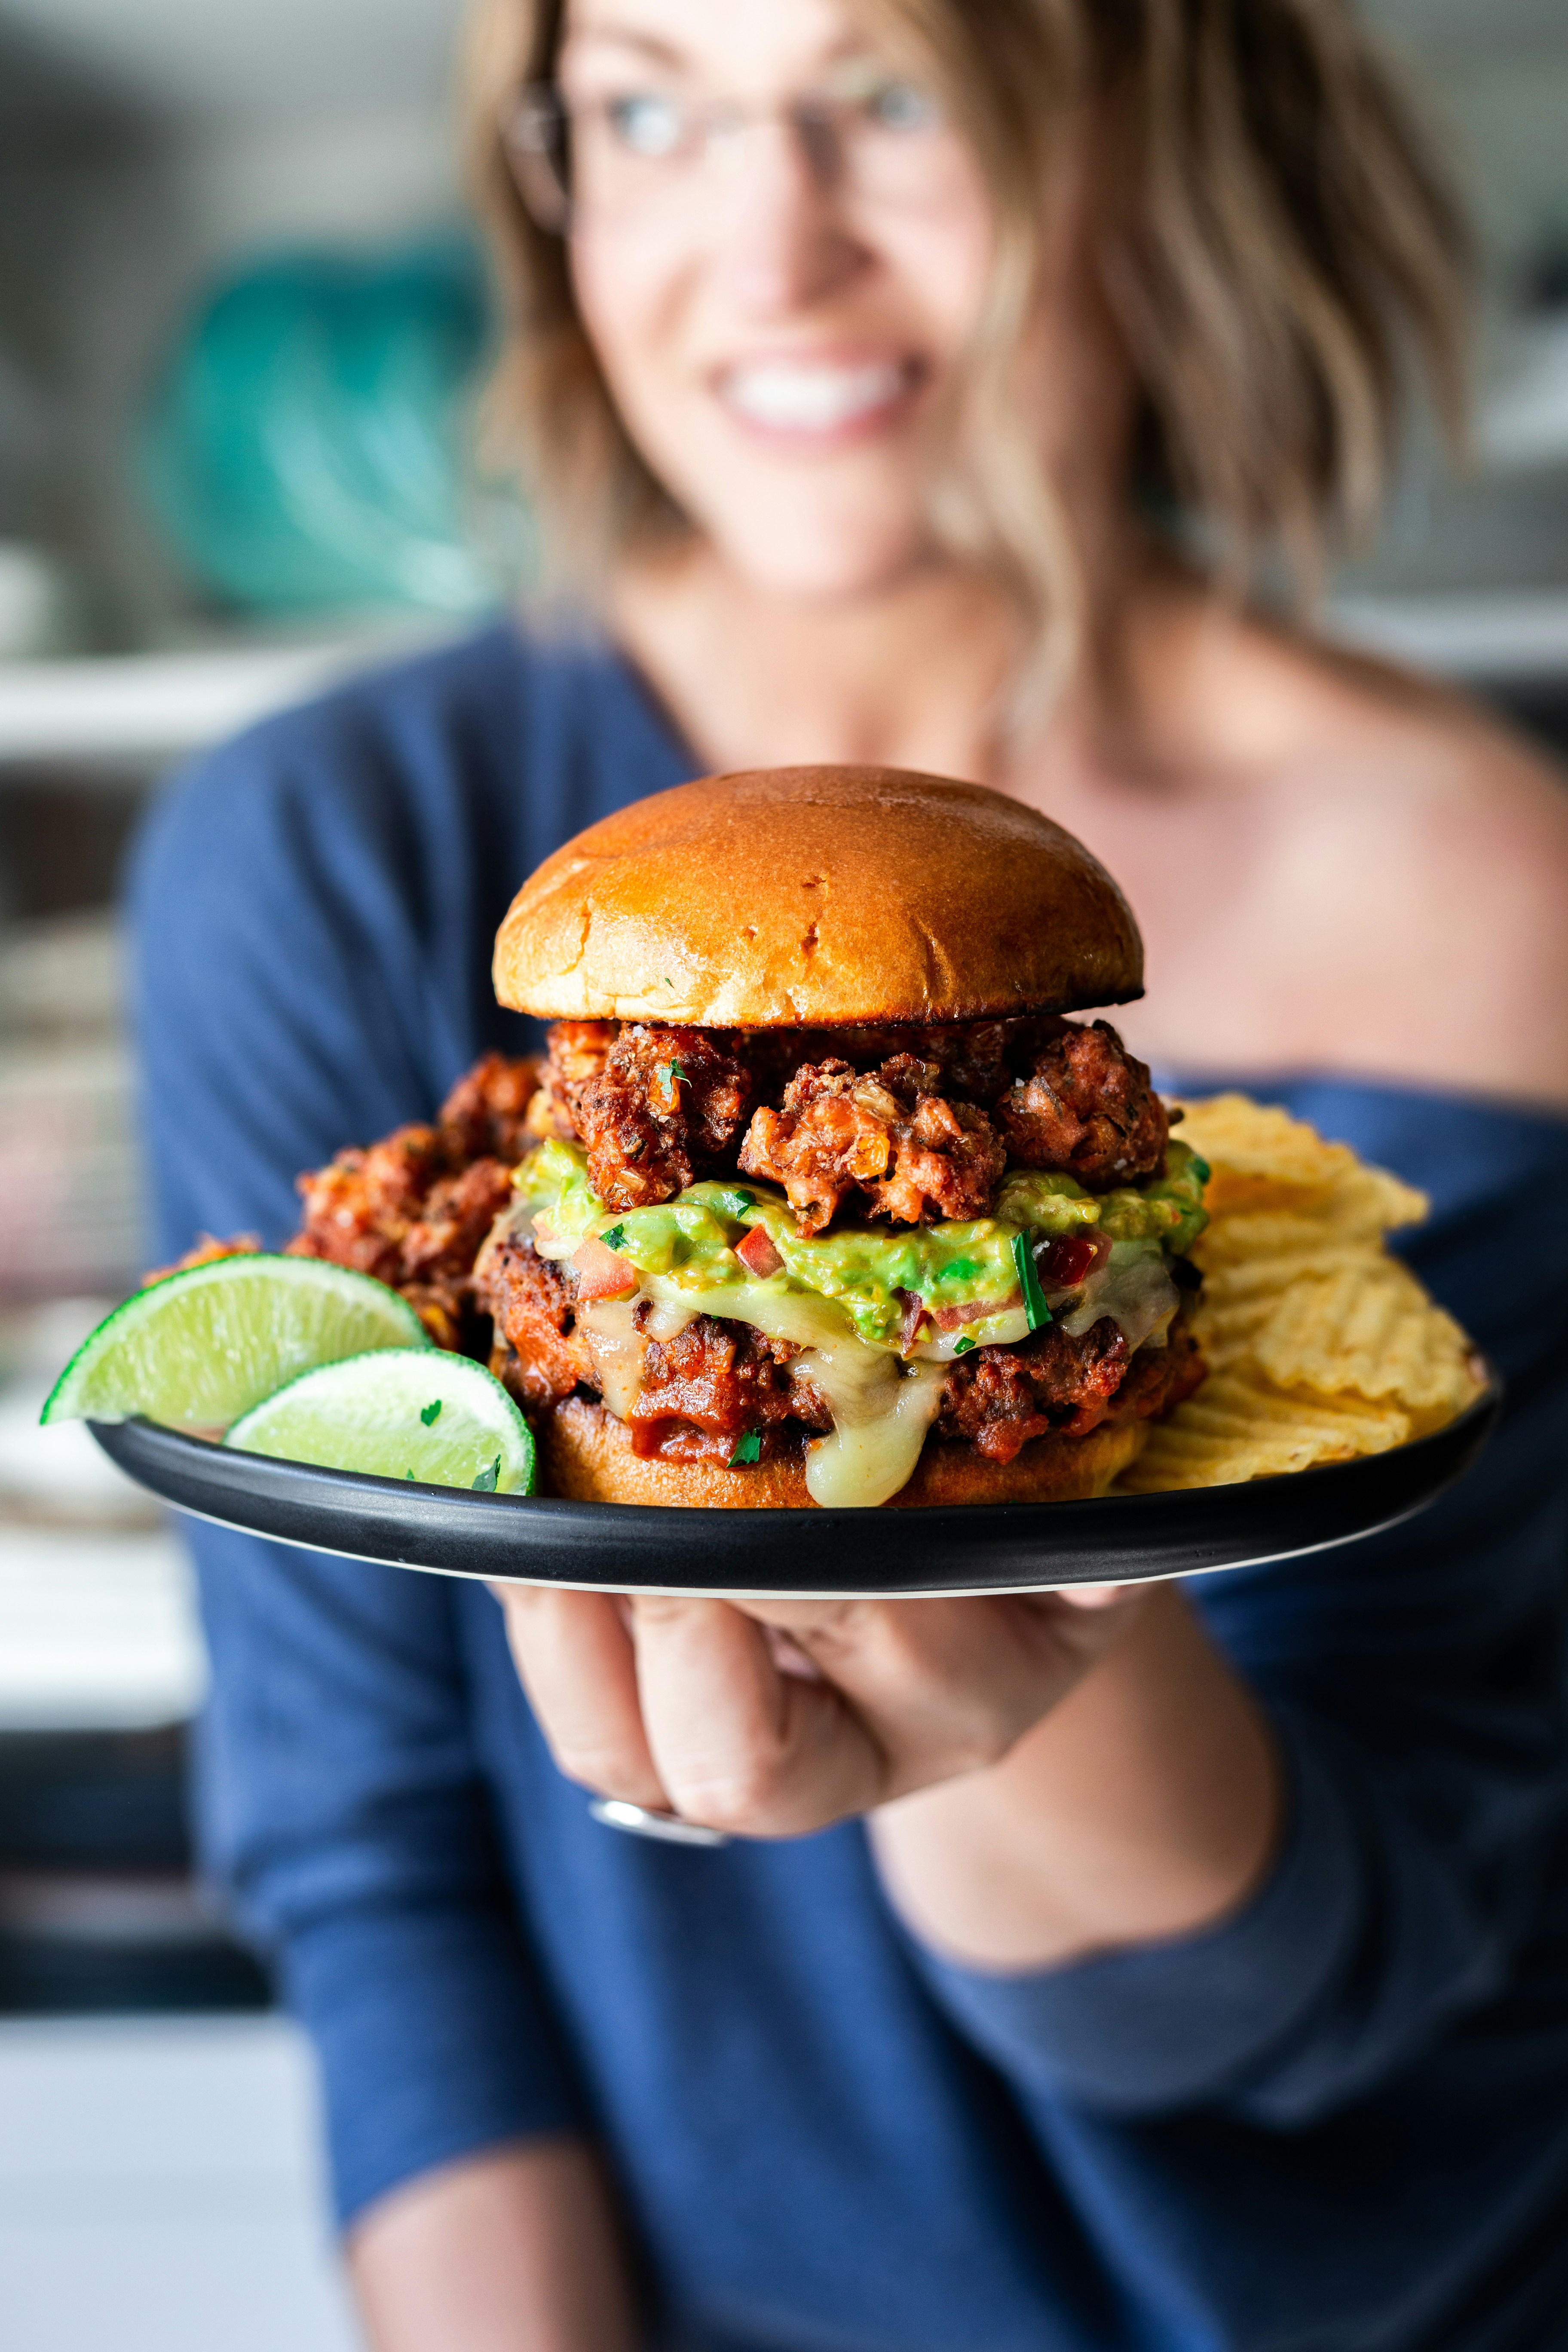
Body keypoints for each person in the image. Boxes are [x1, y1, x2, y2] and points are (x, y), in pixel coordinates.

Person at [130, 1, 1568, 2346]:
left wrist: (1028, 1655)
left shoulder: (1518, 895)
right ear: (550, 172)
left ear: (1157, 125)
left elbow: (1353, 1981)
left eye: (895, 93)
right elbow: (371, 1861)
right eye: (654, 107)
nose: (768, 249)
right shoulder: (328, 851)